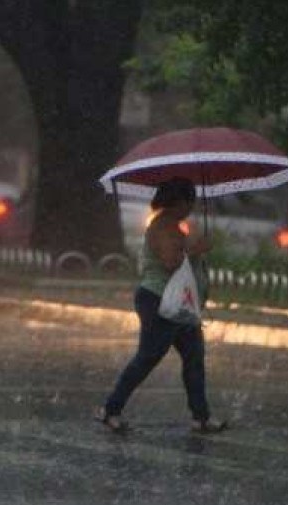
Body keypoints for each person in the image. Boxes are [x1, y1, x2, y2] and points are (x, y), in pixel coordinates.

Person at [96, 177, 228, 434]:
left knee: (194, 358)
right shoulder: (162, 227)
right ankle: (110, 409)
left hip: (179, 306)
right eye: (189, 202)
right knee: (148, 357)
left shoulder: (174, 226)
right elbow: (170, 262)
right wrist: (197, 250)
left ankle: (200, 416)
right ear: (178, 202)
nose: (191, 207)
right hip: (159, 302)